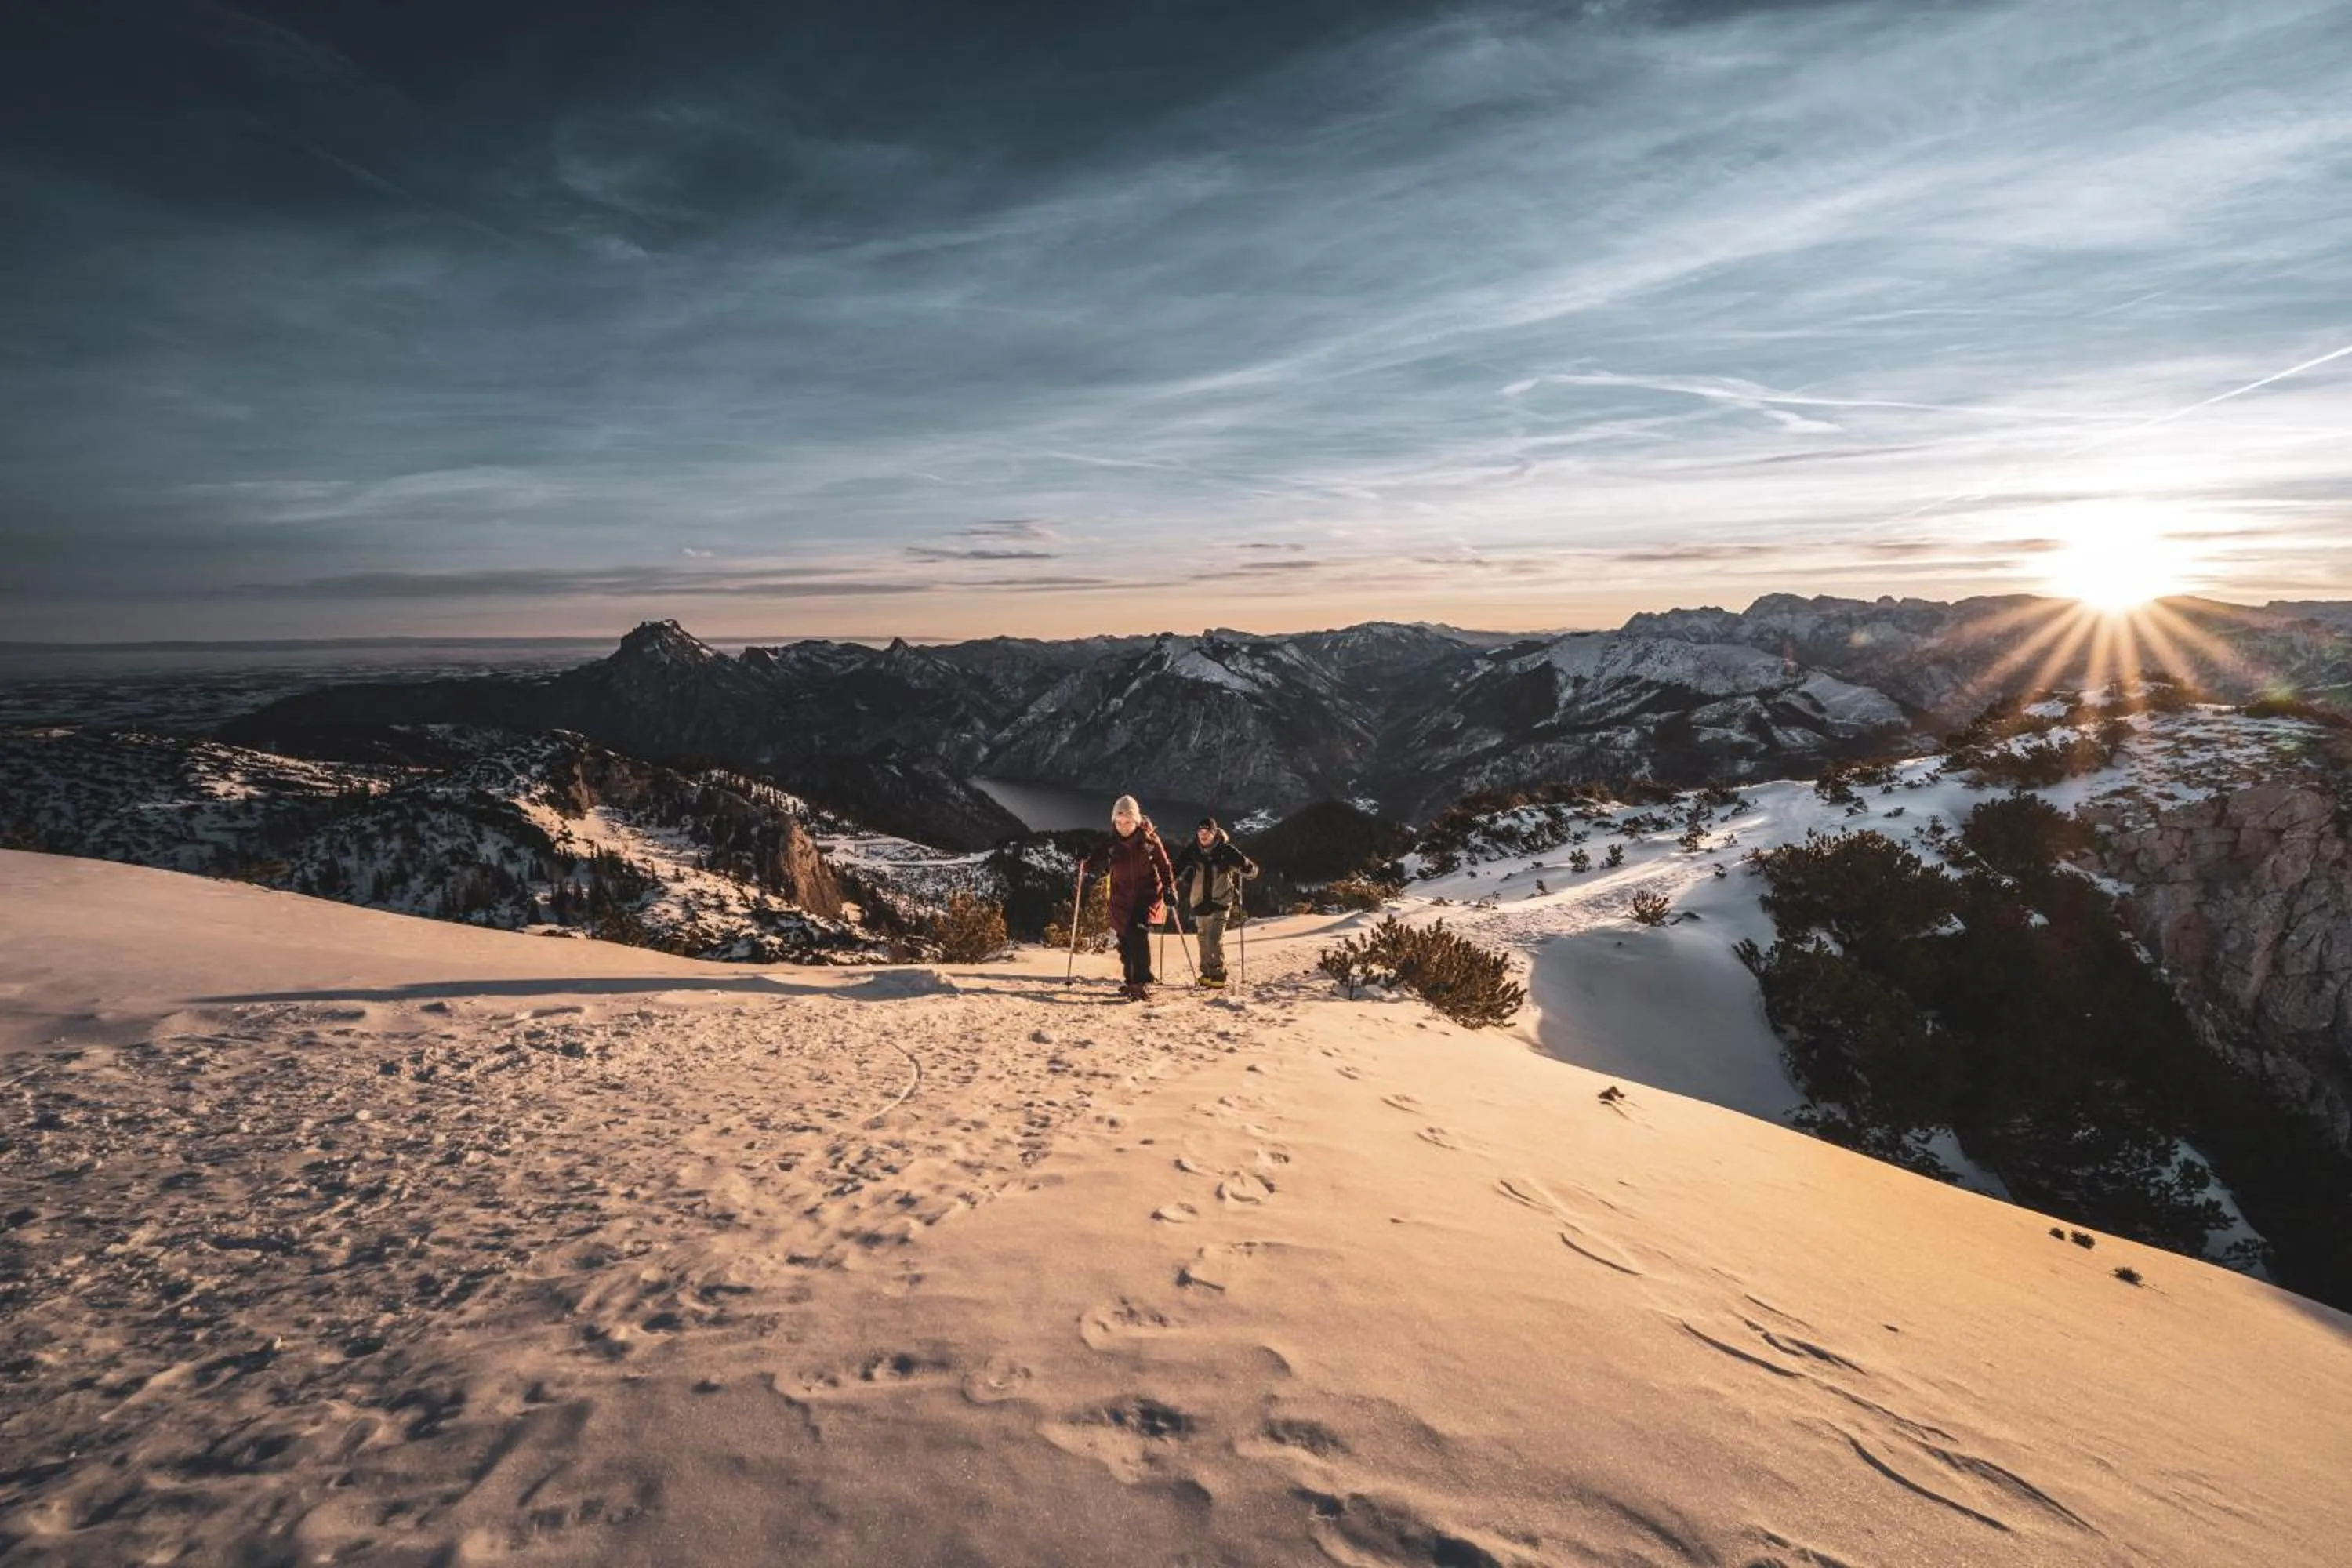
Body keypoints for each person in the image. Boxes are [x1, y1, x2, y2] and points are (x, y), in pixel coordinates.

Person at [1080, 795, 1174, 1000]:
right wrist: (1086, 865)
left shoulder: (1149, 842)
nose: (1124, 826)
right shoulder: (1112, 844)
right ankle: (1131, 981)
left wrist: (1169, 890)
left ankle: (1142, 981)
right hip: (1121, 897)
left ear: (1137, 821)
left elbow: (1165, 866)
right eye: (1119, 822)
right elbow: (1096, 858)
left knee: (1138, 933)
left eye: (1128, 822)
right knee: (1125, 940)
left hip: (1146, 894)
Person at [1168, 817, 1258, 988]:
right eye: (1200, 832)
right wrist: (1168, 883)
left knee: (1213, 938)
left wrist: (1247, 867)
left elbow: (1250, 870)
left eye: (1207, 832)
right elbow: (1176, 868)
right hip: (1199, 901)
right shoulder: (1192, 851)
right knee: (1202, 938)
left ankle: (1218, 974)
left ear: (1214, 833)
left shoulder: (1226, 851)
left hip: (1221, 899)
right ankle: (1206, 974)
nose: (1203, 836)